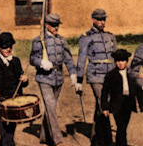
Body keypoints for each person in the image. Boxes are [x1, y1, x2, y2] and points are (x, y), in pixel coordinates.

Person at [29, 14, 76, 146]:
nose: (56, 28)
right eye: (53, 25)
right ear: (46, 25)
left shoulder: (61, 40)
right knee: (50, 107)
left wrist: (73, 73)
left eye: (57, 25)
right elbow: (32, 59)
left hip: (58, 78)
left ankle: (45, 136)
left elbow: (68, 58)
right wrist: (41, 62)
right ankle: (57, 140)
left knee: (51, 108)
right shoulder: (39, 41)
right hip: (44, 78)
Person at [76, 8, 116, 146]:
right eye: (99, 20)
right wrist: (78, 80)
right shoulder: (86, 37)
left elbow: (116, 58)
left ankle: (95, 138)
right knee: (103, 104)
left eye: (104, 19)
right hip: (96, 76)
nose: (102, 22)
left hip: (109, 76)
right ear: (93, 20)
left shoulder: (110, 37)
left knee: (100, 108)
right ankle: (108, 141)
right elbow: (81, 59)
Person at [101, 49, 143, 146]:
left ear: (127, 61)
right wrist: (105, 107)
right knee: (121, 127)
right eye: (118, 61)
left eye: (123, 61)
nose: (120, 63)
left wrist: (142, 105)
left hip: (128, 103)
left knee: (123, 127)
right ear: (115, 62)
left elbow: (138, 91)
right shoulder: (111, 75)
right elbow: (104, 92)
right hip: (116, 104)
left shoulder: (131, 75)